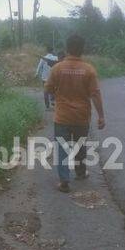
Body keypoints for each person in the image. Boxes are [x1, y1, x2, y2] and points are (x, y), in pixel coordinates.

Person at [45, 35, 105, 193]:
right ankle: (80, 172)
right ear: (82, 50)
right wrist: (101, 116)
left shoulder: (57, 68)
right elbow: (95, 94)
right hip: (81, 117)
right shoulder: (89, 70)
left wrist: (59, 93)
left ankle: (64, 181)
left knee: (62, 149)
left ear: (67, 48)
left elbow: (48, 89)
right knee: (80, 146)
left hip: (62, 117)